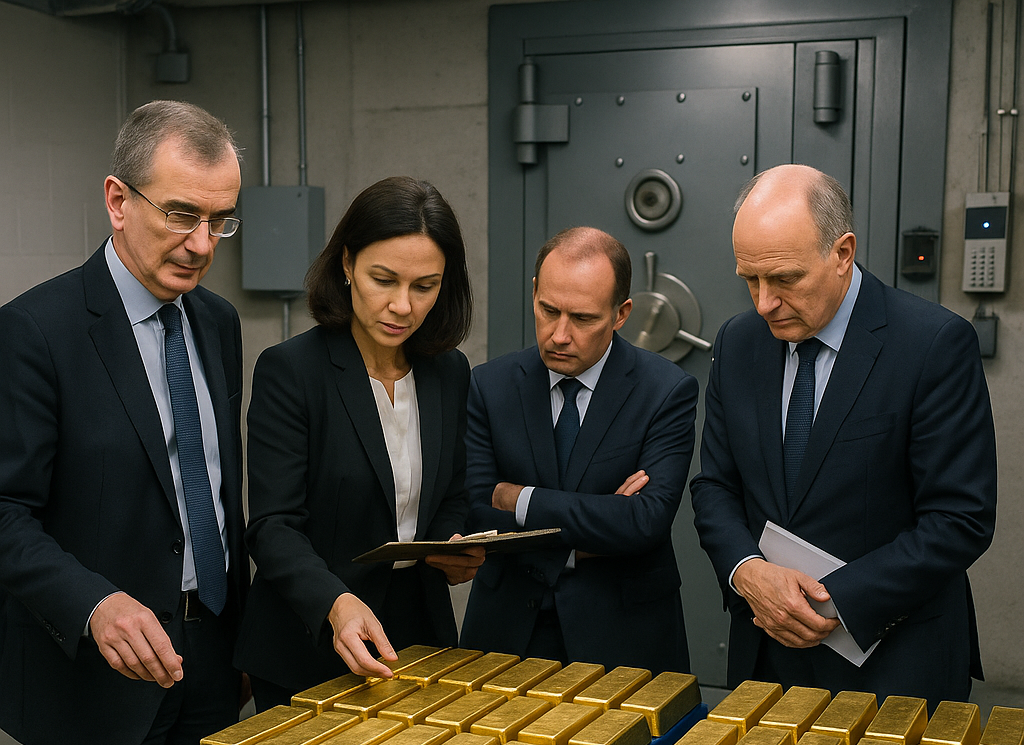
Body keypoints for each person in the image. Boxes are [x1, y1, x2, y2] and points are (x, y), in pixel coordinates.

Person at [0, 100, 248, 745]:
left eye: (220, 220)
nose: (202, 244)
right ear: (117, 200)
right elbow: (7, 512)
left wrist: (236, 641)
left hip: (209, 664)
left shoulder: (217, 323)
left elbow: (214, 495)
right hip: (93, 680)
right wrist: (96, 604)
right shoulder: (32, 333)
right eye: (180, 214)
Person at [690, 164, 997, 706]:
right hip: (767, 656)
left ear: (842, 253)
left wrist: (835, 600)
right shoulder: (738, 343)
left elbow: (960, 518)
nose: (764, 302)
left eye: (784, 279)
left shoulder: (933, 345)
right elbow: (714, 485)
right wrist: (747, 573)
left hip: (896, 662)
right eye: (750, 280)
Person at [235, 176, 484, 711]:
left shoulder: (449, 372)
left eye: (425, 286)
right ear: (347, 265)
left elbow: (451, 495)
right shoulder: (291, 371)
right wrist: (335, 602)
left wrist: (452, 545)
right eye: (383, 279)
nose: (402, 306)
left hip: (419, 640)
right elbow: (273, 526)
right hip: (308, 644)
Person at [460, 227, 698, 674]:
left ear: (621, 313)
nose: (559, 335)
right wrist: (599, 521)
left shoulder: (666, 391)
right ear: (534, 292)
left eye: (584, 318)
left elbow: (644, 522)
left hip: (625, 639)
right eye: (548, 310)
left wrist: (520, 498)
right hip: (506, 633)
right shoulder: (489, 385)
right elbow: (476, 513)